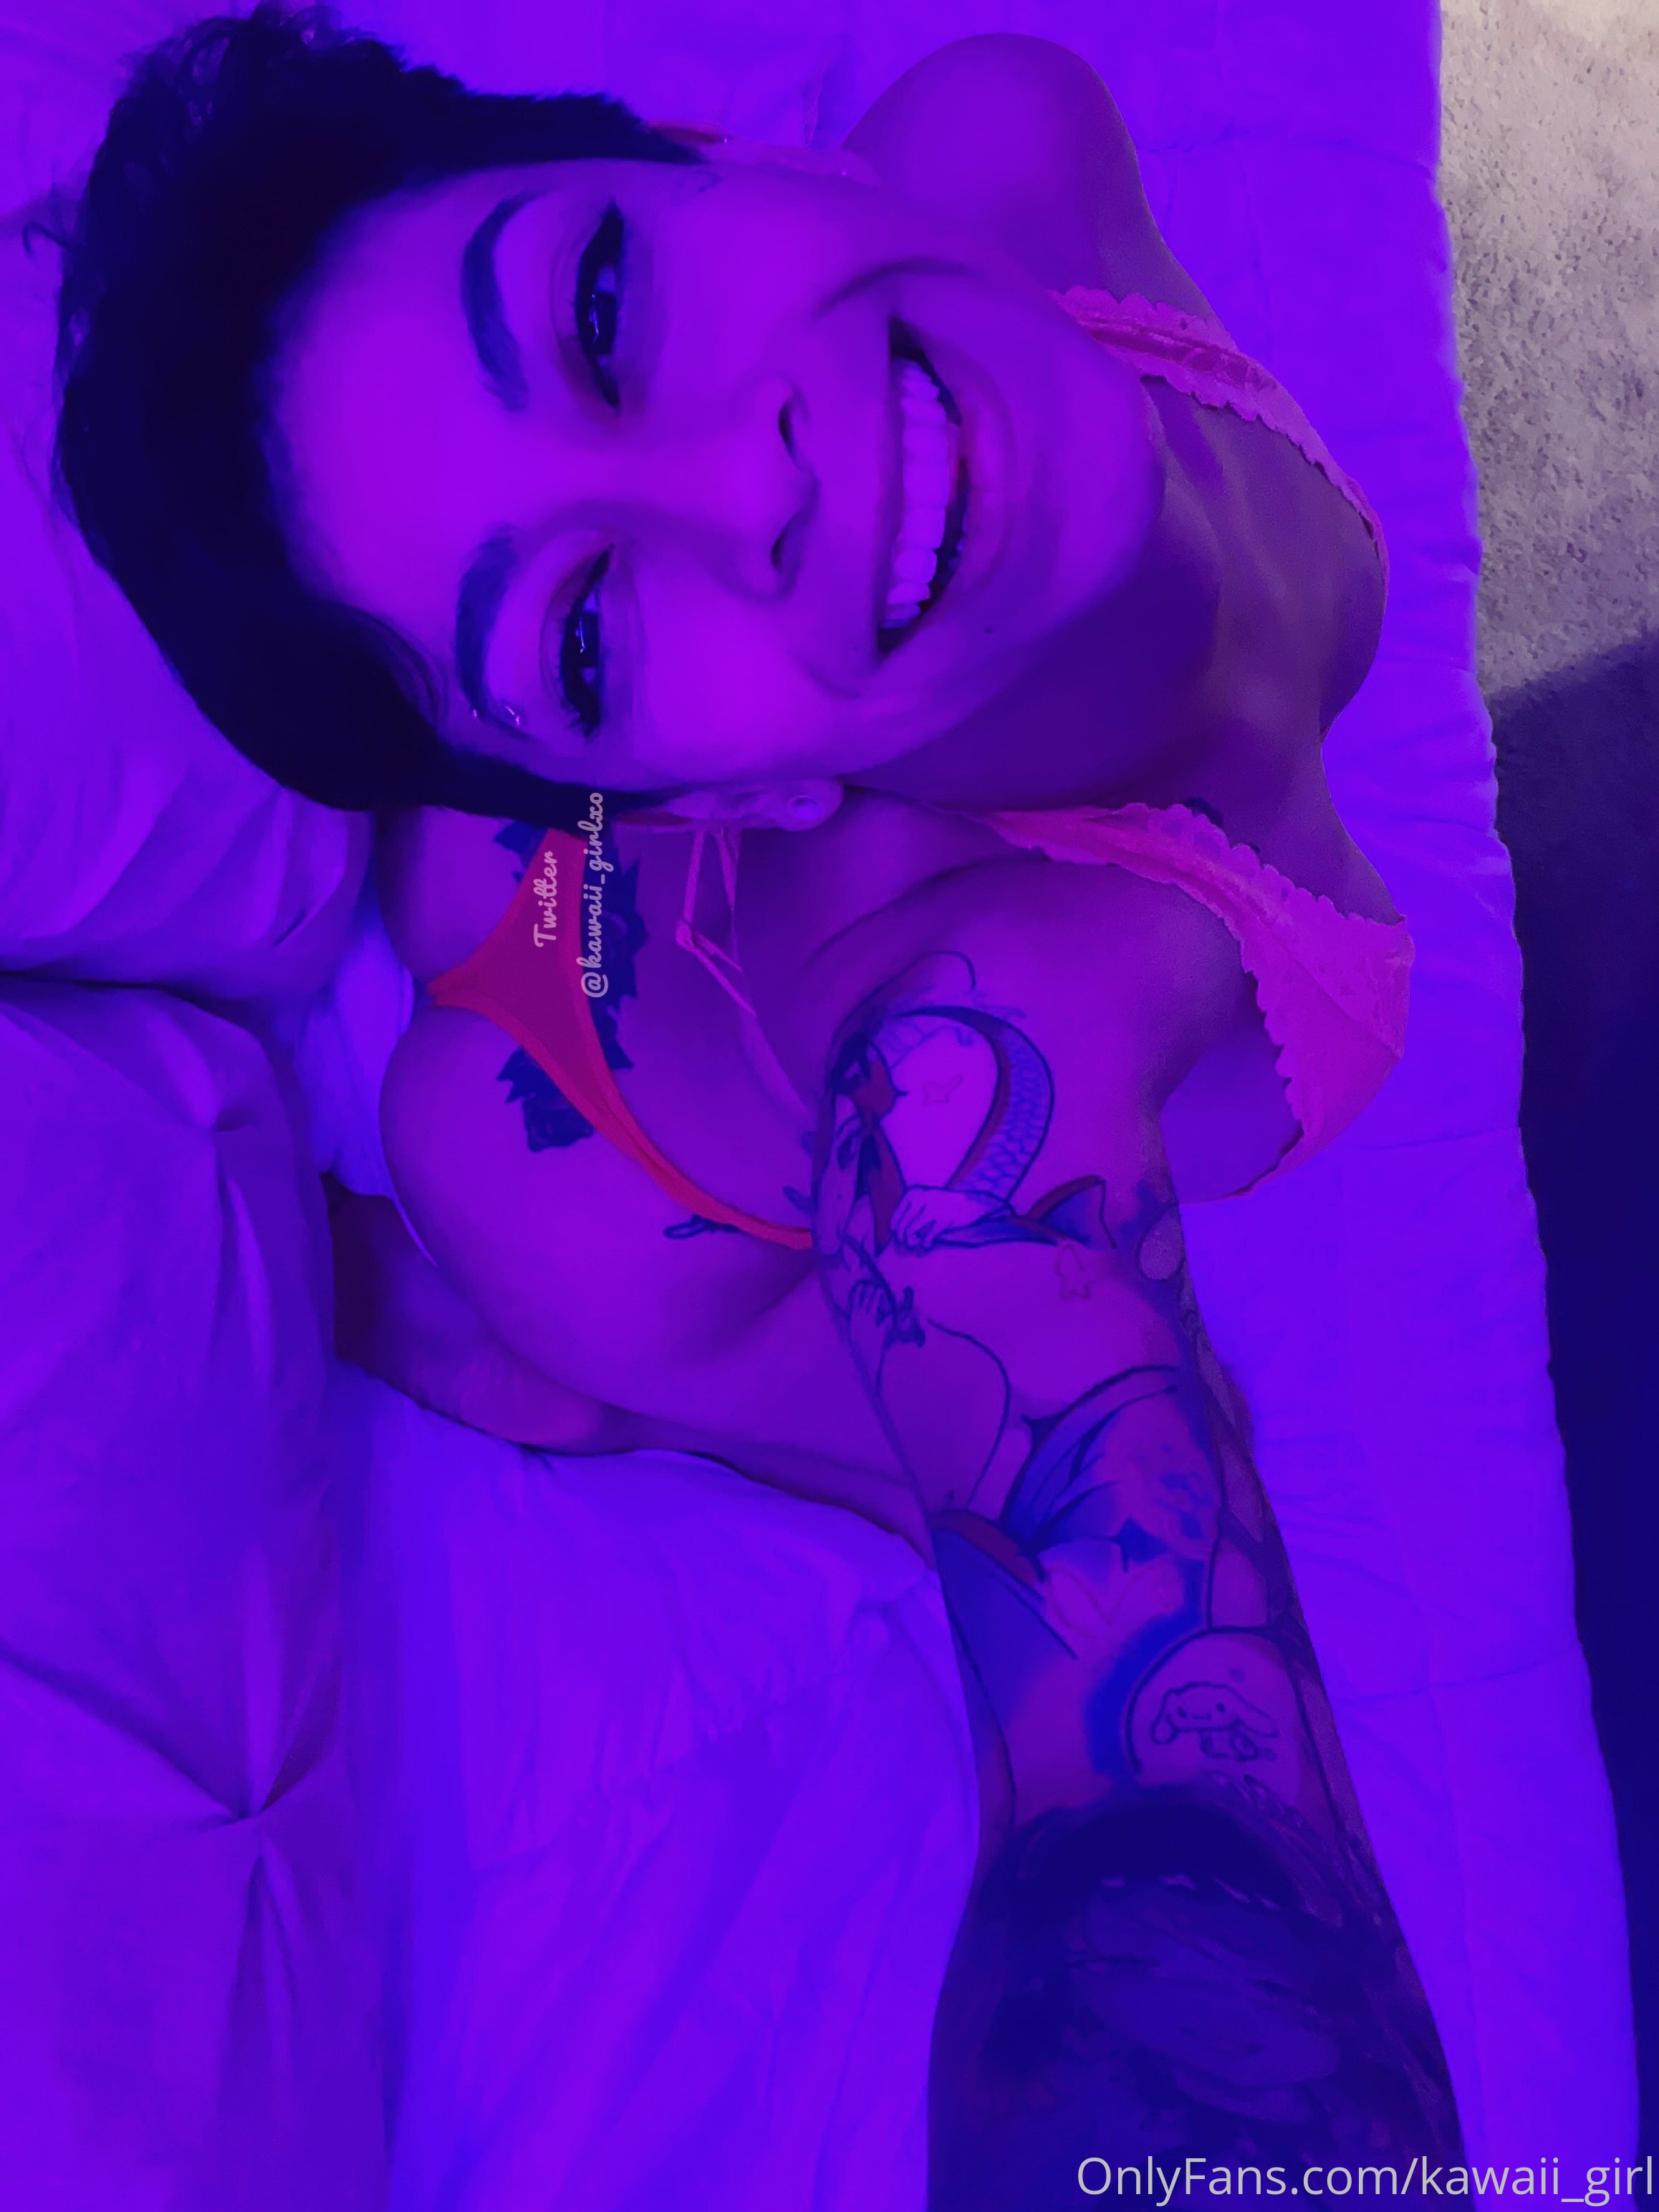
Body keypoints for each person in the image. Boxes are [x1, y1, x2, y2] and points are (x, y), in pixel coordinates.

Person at [54, 7, 1461, 2192]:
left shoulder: (1001, 132)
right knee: (590, 1304)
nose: (759, 485)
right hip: (594, 1166)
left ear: (729, 152)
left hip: (604, 856)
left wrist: (595, 685)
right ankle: (467, 1306)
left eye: (605, 306)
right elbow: (1145, 1799)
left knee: (506, 841)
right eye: (584, 632)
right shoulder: (978, 1045)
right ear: (732, 796)